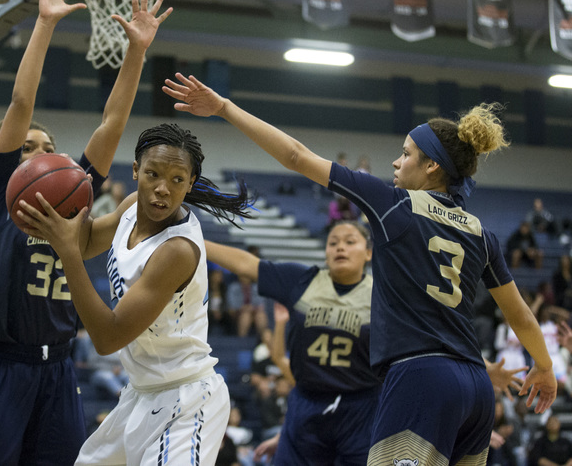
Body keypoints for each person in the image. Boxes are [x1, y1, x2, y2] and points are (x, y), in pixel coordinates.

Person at [162, 74, 557, 465]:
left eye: (406, 153)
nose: (396, 161)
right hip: (474, 388)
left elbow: (297, 156)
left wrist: (225, 108)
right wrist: (544, 366)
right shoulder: (480, 232)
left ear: (432, 165)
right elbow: (519, 314)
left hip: (419, 379)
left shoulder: (395, 204)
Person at [0, 0, 172, 465]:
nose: (41, 153)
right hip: (2, 364)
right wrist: (44, 22)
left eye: (49, 146)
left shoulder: (76, 198)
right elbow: (22, 101)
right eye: (28, 148)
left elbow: (113, 121)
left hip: (60, 370)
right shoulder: (5, 198)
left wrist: (136, 51)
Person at [17, 122, 254, 465]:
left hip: (185, 401)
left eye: (176, 180)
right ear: (135, 171)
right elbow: (84, 243)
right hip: (140, 392)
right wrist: (59, 187)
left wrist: (67, 252)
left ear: (190, 183)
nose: (162, 189)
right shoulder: (130, 207)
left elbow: (106, 338)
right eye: (153, 174)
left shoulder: (176, 250)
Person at [203, 220, 379, 465]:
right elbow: (247, 265)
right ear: (326, 252)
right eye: (333, 243)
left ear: (369, 253)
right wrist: (194, 240)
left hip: (359, 409)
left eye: (350, 242)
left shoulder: (382, 296)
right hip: (306, 404)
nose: (341, 248)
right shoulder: (302, 281)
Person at [225, 246, 268, 337]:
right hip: (239, 313)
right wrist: (244, 308)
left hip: (254, 312)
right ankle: (242, 342)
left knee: (260, 315)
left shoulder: (256, 287)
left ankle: (263, 340)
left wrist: (252, 308)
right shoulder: (234, 287)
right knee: (246, 316)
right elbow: (232, 307)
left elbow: (260, 303)